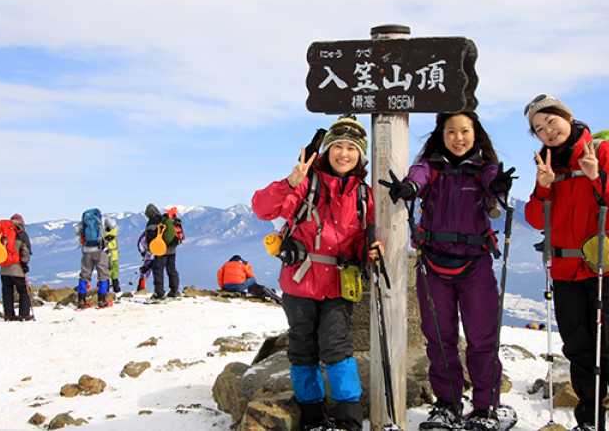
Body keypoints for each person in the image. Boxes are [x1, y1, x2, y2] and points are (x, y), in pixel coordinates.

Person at [379, 111, 516, 431]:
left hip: (475, 265)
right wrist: (411, 188)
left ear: (475, 133)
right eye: (451, 131)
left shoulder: (485, 167)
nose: (458, 138)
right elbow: (418, 175)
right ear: (441, 135)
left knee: (483, 340)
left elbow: (492, 183)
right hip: (434, 265)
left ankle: (485, 408)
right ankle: (447, 404)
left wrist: (497, 185)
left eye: (464, 131)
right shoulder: (431, 166)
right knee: (439, 339)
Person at [252, 115, 384, 431]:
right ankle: (312, 416)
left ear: (360, 154)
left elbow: (366, 236)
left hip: (339, 283)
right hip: (299, 283)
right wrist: (289, 183)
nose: (343, 153)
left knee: (336, 345)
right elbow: (261, 208)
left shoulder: (364, 194)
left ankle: (348, 417)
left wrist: (372, 251)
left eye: (351, 148)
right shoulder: (307, 183)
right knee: (302, 347)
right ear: (326, 150)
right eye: (337, 145)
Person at [524, 94, 609, 431]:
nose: (547, 130)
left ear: (567, 117)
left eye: (551, 121)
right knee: (578, 348)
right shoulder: (547, 166)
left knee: (607, 346)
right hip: (564, 272)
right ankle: (589, 419)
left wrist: (595, 177)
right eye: (539, 128)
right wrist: (543, 188)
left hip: (603, 268)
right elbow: (534, 218)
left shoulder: (601, 153)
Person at [74, 209, 116, 309]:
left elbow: (76, 230)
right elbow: (113, 225)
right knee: (103, 275)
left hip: (87, 251)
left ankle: (81, 300)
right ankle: (102, 300)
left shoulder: (84, 222)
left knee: (84, 274)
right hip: (100, 250)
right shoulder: (103, 220)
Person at [144, 204, 181, 301]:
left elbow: (150, 235)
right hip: (172, 249)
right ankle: (174, 291)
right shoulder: (165, 219)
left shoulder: (154, 220)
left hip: (161, 249)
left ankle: (159, 293)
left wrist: (150, 248)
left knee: (158, 270)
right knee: (171, 269)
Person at [0, 214, 33, 321]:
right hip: (17, 268)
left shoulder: (3, 233)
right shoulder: (22, 234)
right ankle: (24, 314)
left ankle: (9, 314)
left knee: (7, 292)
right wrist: (24, 264)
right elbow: (26, 251)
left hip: (4, 268)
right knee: (23, 291)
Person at [105, 221, 121, 293]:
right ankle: (116, 287)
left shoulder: (104, 233)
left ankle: (106, 289)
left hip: (106, 256)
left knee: (105, 274)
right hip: (114, 256)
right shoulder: (114, 235)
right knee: (115, 272)